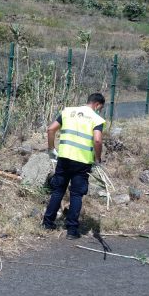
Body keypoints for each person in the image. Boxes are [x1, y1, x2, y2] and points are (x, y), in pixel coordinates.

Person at [42, 93, 106, 239]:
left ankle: (47, 223)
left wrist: (51, 149)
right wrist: (98, 159)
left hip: (64, 158)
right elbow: (97, 140)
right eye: (100, 108)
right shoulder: (96, 118)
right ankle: (71, 230)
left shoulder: (67, 111)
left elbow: (51, 129)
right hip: (82, 162)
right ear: (97, 104)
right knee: (76, 194)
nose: (99, 111)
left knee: (58, 191)